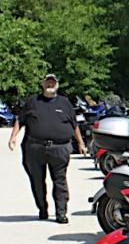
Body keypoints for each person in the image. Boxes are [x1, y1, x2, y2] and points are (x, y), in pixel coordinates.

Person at [7, 74, 86, 223]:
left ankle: (61, 213)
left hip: (59, 148)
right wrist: (12, 138)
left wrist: (81, 143)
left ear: (57, 85)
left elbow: (74, 125)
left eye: (53, 82)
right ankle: (42, 208)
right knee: (37, 180)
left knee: (60, 181)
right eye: (47, 82)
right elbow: (20, 120)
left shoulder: (65, 103)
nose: (50, 84)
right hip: (34, 147)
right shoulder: (32, 102)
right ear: (43, 84)